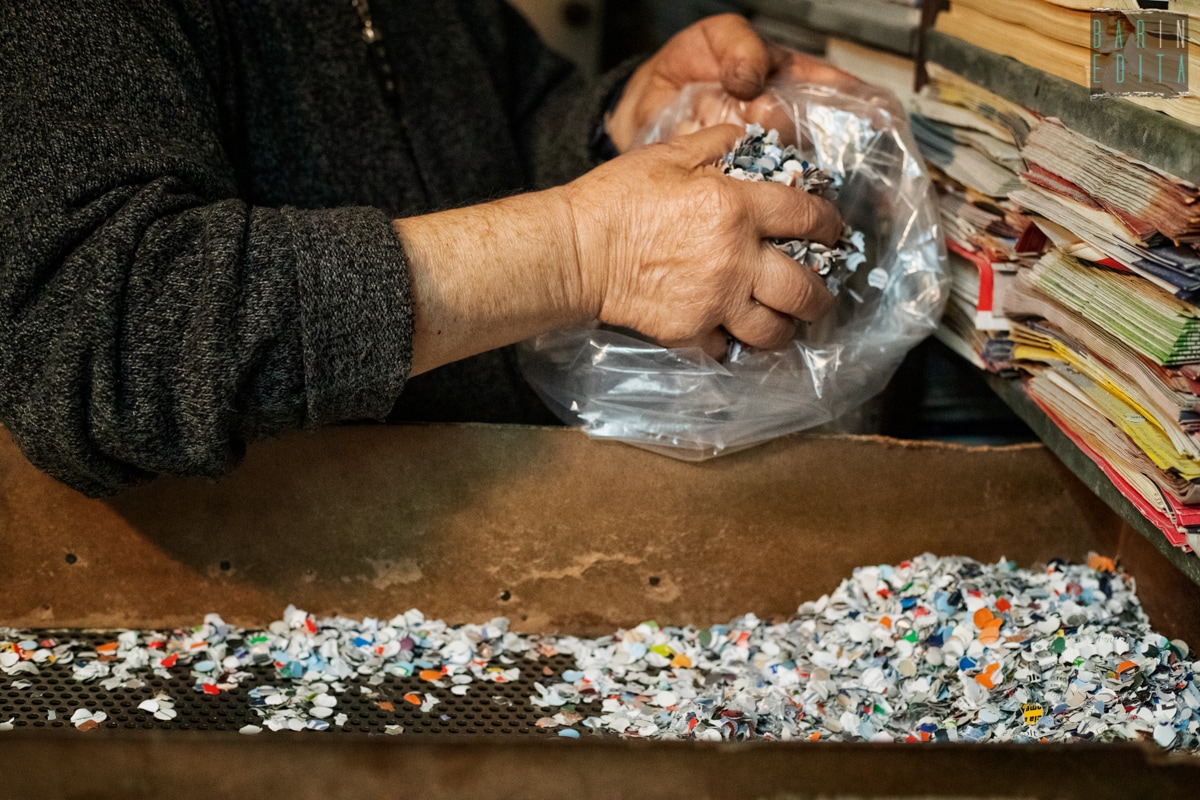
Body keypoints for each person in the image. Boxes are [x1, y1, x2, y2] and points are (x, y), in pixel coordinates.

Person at [0, 1, 855, 496]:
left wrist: (621, 124)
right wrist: (579, 249)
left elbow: (507, 138)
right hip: (250, 607)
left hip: (495, 535)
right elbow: (99, 340)